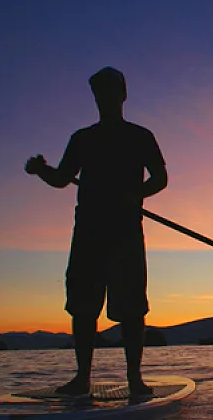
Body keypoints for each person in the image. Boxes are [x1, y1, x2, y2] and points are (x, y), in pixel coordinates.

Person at [25, 67, 167, 396]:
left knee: (131, 309)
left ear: (123, 94)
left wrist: (135, 195)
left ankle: (135, 379)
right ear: (95, 96)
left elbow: (160, 178)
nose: (104, 97)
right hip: (88, 232)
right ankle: (81, 379)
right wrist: (41, 170)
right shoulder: (82, 138)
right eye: (99, 92)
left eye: (110, 90)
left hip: (125, 232)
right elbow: (62, 178)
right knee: (83, 306)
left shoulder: (140, 136)